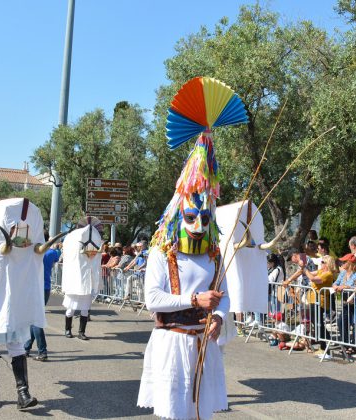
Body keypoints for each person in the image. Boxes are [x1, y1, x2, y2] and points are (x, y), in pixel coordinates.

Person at [138, 79, 248, 419]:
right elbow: (152, 299)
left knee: (202, 413)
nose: (199, 224)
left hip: (205, 345)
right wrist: (194, 300)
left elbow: (225, 294)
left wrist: (217, 315)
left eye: (205, 215)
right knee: (175, 413)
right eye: (191, 215)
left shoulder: (215, 254)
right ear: (178, 215)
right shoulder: (163, 251)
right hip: (172, 344)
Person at [0, 197, 60, 410]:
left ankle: (23, 393)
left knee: (16, 343)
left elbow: (33, 253)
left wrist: (30, 247)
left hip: (16, 294)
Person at [61, 216, 103, 340]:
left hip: (87, 281)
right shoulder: (73, 239)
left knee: (85, 310)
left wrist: (94, 254)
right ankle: (67, 329)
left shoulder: (94, 240)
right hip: (75, 281)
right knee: (70, 309)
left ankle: (81, 332)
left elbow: (96, 258)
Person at [25, 234, 60, 361]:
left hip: (33, 287)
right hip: (45, 287)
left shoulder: (29, 252)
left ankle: (42, 351)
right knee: (33, 319)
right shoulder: (51, 252)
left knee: (35, 320)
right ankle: (26, 347)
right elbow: (57, 257)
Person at [303, 255, 337, 352]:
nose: (320, 264)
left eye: (322, 262)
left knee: (318, 322)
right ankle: (325, 341)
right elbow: (310, 274)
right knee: (316, 321)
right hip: (314, 299)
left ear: (327, 264)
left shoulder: (328, 274)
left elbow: (313, 279)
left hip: (320, 300)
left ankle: (324, 344)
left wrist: (304, 269)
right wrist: (302, 267)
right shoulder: (321, 271)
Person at [333, 253, 356, 352]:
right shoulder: (343, 273)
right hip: (345, 302)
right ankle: (345, 344)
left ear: (349, 263)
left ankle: (353, 346)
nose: (342, 263)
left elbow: (350, 285)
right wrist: (337, 286)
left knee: (354, 324)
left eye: (344, 261)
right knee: (341, 322)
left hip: (354, 303)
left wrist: (342, 286)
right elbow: (336, 283)